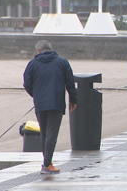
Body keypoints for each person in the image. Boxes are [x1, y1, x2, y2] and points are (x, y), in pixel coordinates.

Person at [23, 40, 77, 174]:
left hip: (40, 103)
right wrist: (73, 100)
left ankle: (47, 162)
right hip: (56, 102)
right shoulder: (62, 62)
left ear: (39, 51)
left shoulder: (32, 64)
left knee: (45, 133)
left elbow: (27, 83)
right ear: (50, 49)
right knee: (52, 133)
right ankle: (47, 165)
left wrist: (36, 95)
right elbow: (70, 83)